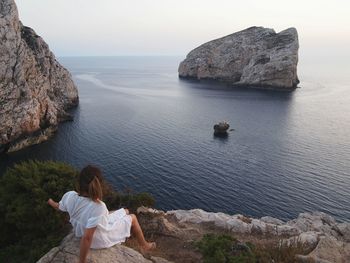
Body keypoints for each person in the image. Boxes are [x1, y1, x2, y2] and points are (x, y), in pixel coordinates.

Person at [48, 165, 155, 263]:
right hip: (99, 239)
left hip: (82, 232)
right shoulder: (98, 206)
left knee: (124, 211)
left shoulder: (70, 196)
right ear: (98, 184)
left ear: (79, 183)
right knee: (133, 217)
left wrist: (50, 202)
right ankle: (144, 245)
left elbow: (58, 206)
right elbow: (87, 238)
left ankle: (125, 213)